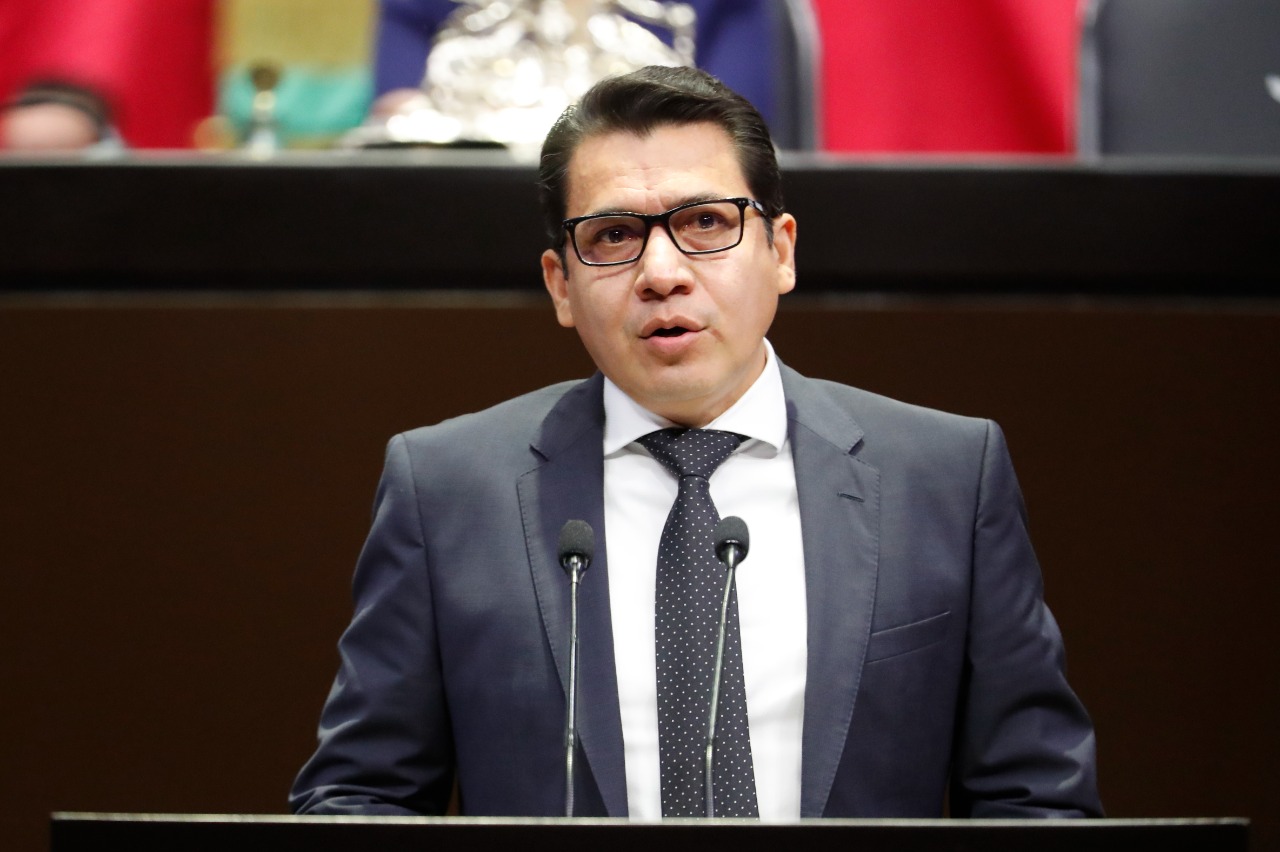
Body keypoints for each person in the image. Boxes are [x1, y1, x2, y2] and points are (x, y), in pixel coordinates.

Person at [290, 65, 1101, 820]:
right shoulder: (447, 490)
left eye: (705, 222)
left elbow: (1037, 801)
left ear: (780, 251)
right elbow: (359, 798)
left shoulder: (944, 477)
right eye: (613, 236)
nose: (662, 272)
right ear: (561, 285)